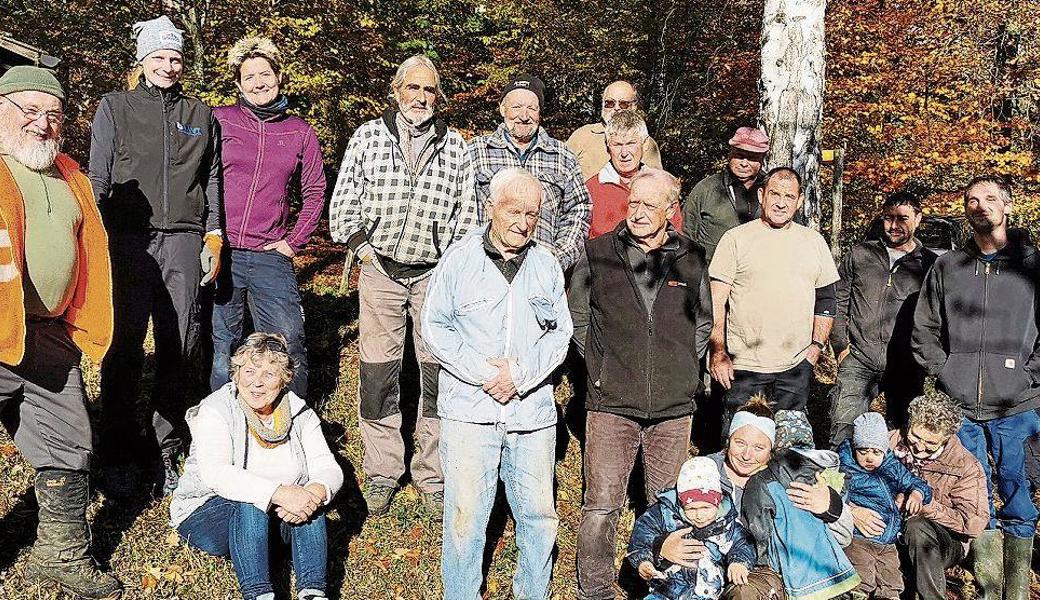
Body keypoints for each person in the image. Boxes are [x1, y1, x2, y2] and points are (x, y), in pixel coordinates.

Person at [328, 55, 476, 516]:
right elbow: (344, 202)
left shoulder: (455, 147)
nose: (421, 98)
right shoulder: (368, 137)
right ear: (396, 91)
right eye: (413, 88)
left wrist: (448, 268)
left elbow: (467, 216)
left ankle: (431, 474)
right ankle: (383, 470)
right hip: (380, 271)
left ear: (439, 97)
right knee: (377, 373)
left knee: (436, 376)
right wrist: (365, 251)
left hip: (434, 275)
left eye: (429, 90)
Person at [0, 65, 122, 599]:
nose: (43, 124)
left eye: (53, 114)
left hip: (48, 335)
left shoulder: (70, 173)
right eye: (30, 111)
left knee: (70, 441)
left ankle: (61, 554)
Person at [422, 167, 572, 600]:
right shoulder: (458, 258)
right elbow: (435, 326)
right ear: (490, 207)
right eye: (513, 210)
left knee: (540, 516)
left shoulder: (545, 264)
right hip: (470, 411)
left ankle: (532, 593)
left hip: (531, 413)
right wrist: (487, 374)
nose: (523, 222)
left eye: (532, 213)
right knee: (466, 517)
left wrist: (519, 375)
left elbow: (560, 332)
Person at [89, 15, 223, 496]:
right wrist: (92, 238)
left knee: (177, 347)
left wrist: (215, 235)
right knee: (123, 346)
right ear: (142, 61)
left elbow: (212, 179)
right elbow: (97, 180)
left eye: (175, 57)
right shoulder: (115, 108)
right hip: (128, 242)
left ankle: (165, 445)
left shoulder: (200, 114)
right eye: (159, 56)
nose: (168, 65)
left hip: (185, 241)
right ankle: (119, 449)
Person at [569, 167, 712, 600]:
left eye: (651, 204)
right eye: (635, 202)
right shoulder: (596, 253)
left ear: (672, 210)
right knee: (601, 504)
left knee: (669, 503)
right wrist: (600, 367)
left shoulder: (693, 256)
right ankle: (594, 590)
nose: (640, 212)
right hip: (611, 400)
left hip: (673, 405)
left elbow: (703, 323)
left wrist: (683, 366)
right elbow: (576, 319)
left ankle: (665, 584)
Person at [912, 175, 1040, 600]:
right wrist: (944, 371)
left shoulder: (1033, 265)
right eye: (971, 200)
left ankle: (1017, 591)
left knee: (1018, 490)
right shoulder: (948, 266)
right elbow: (925, 327)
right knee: (973, 491)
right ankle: (987, 586)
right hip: (960, 403)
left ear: (1007, 205)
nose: (980, 206)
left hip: (1018, 404)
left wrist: (1030, 375)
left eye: (989, 198)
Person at [169, 333, 344, 600]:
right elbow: (218, 474)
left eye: (269, 375)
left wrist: (315, 492)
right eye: (249, 371)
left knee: (310, 500)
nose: (257, 383)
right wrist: (280, 493)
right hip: (208, 514)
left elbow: (327, 467)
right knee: (251, 501)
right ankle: (259, 593)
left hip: (275, 518)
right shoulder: (216, 409)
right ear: (236, 375)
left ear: (284, 380)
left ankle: (313, 592)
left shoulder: (299, 412)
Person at [209, 37, 326, 398]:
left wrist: (294, 242)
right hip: (222, 251)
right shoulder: (220, 120)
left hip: (269, 254)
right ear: (238, 84)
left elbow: (316, 190)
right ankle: (224, 428)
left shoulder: (299, 131)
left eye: (265, 73)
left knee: (288, 342)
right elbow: (197, 178)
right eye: (249, 77)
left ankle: (292, 428)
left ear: (279, 76)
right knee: (222, 348)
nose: (258, 82)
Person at [707, 167, 839, 433]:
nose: (781, 203)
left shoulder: (813, 242)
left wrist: (815, 348)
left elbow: (826, 300)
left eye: (789, 197)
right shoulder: (736, 239)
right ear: (761, 195)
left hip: (794, 368)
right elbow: (715, 302)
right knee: (741, 446)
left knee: (789, 449)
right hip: (744, 367)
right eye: (774, 194)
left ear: (800, 200)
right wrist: (718, 353)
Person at [828, 192, 936, 448]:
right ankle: (841, 483)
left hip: (906, 364)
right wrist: (841, 345)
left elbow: (937, 315)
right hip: (859, 358)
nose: (894, 225)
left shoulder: (931, 264)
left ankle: (897, 483)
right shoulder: (860, 255)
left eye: (903, 219)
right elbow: (838, 300)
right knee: (843, 427)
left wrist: (926, 357)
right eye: (888, 218)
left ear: (918, 219)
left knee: (905, 432)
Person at [469, 74, 591, 270]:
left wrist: (556, 259)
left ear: (540, 112)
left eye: (531, 108)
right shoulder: (475, 151)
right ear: (502, 109)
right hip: (484, 269)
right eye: (516, 107)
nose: (524, 116)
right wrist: (472, 258)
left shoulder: (563, 156)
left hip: (540, 270)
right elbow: (460, 211)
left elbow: (579, 210)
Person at [740, 410, 860, 600]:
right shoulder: (830, 473)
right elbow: (844, 536)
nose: (747, 455)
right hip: (834, 573)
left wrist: (764, 561)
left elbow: (758, 530)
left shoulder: (763, 480)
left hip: (791, 574)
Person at [887, 392, 988, 600]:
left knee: (917, 526)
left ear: (946, 437)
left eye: (930, 443)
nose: (919, 447)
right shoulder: (886, 444)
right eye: (915, 436)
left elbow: (973, 524)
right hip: (887, 527)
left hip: (943, 540)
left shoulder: (966, 466)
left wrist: (926, 507)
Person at [627, 457, 755, 600]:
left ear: (718, 502)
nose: (699, 515)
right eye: (691, 508)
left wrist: (739, 562)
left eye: (706, 508)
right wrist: (644, 561)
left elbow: (743, 543)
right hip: (666, 589)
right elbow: (642, 536)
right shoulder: (664, 515)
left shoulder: (727, 523)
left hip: (709, 591)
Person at [837, 412, 932, 600]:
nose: (870, 458)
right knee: (861, 578)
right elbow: (833, 494)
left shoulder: (892, 466)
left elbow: (916, 483)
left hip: (888, 542)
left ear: (884, 450)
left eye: (876, 452)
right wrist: (851, 508)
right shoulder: (845, 467)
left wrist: (916, 493)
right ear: (855, 448)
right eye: (863, 452)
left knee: (892, 582)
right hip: (860, 537)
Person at [583, 111, 682, 238]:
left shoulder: (663, 187)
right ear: (608, 148)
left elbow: (676, 238)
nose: (624, 153)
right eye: (617, 145)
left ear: (645, 144)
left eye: (631, 143)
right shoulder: (590, 190)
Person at [681, 127, 767, 263]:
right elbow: (686, 236)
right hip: (711, 275)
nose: (744, 163)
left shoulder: (773, 192)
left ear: (762, 158)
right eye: (739, 155)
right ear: (730, 153)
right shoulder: (706, 189)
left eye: (751, 158)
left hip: (759, 275)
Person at [566, 79, 663, 180]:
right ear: (603, 105)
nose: (616, 108)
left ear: (634, 107)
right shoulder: (582, 136)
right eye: (610, 103)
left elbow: (656, 185)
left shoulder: (645, 142)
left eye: (623, 104)